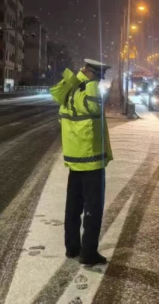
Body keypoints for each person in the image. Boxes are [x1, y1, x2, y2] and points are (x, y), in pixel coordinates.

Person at [50, 59, 113, 266]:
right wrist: (91, 82)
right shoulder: (89, 90)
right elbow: (95, 109)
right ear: (93, 73)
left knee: (73, 206)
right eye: (100, 74)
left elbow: (56, 93)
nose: (101, 79)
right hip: (91, 158)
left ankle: (72, 247)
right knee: (93, 209)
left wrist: (79, 78)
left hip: (74, 158)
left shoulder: (70, 91)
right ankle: (88, 253)